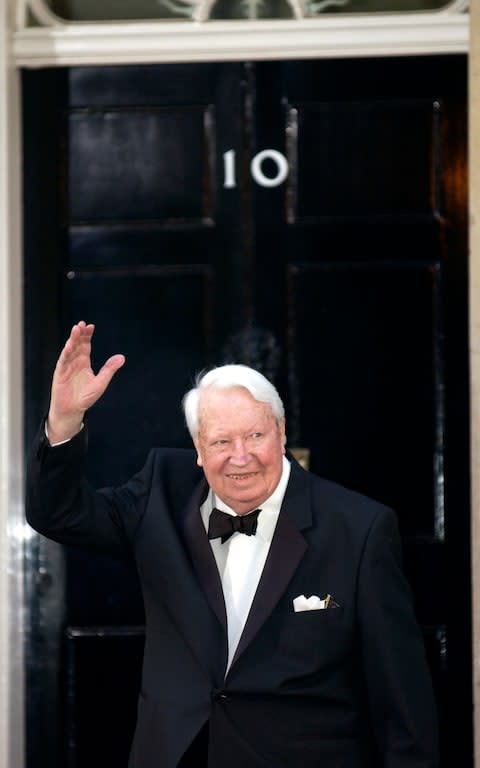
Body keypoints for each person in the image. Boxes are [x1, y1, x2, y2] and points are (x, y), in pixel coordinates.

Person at [26, 320, 439, 768]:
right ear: (198, 449)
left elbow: (402, 700)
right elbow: (58, 513)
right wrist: (64, 420)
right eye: (221, 441)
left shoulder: (359, 528)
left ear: (281, 434)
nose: (240, 456)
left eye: (255, 436)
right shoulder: (159, 495)